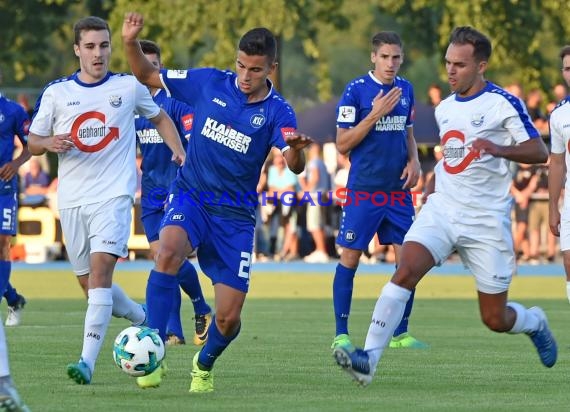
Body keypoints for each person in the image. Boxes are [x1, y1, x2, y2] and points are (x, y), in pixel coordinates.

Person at [334, 26, 557, 387]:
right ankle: (368, 361)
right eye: (448, 63)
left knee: (494, 318)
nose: (451, 71)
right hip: (443, 210)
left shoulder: (502, 103)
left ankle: (534, 322)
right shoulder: (446, 108)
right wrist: (434, 179)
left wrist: (499, 149)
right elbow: (453, 155)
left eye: (460, 65)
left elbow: (539, 151)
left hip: (485, 221)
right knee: (405, 268)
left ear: (481, 66)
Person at [122, 12, 311, 393]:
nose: (244, 76)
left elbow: (294, 166)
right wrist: (129, 43)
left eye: (255, 70)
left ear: (271, 68)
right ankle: (152, 349)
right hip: (191, 195)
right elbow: (146, 75)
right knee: (167, 252)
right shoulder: (208, 82)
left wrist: (294, 152)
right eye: (240, 65)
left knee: (228, 319)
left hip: (235, 218)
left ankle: (203, 363)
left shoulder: (278, 111)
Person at [27, 16, 186, 385]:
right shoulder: (57, 93)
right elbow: (34, 141)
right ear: (77, 50)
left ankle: (86, 362)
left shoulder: (128, 87)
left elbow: (160, 118)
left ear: (111, 47)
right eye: (90, 46)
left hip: (113, 197)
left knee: (100, 277)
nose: (98, 54)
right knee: (90, 288)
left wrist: (179, 151)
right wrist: (48, 144)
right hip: (71, 201)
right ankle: (140, 317)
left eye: (104, 46)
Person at [331, 31, 427, 353]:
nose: (391, 63)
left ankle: (400, 333)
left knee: (409, 263)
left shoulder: (407, 89)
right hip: (364, 189)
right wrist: (373, 114)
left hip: (398, 191)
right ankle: (341, 333)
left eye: (396, 57)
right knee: (350, 258)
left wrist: (414, 161)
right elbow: (342, 144)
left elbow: (408, 134)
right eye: (385, 57)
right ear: (373, 57)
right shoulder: (355, 91)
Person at [135, 39, 212, 354]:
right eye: (144, 65)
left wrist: (186, 158)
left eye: (155, 65)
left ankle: (177, 325)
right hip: (150, 191)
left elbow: (195, 140)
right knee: (163, 261)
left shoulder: (177, 103)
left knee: (168, 257)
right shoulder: (134, 106)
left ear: (160, 66)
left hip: (176, 191)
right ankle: (194, 314)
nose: (149, 70)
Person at [0, 68, 32, 329]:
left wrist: (15, 162)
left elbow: (31, 145)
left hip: (4, 189)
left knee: (2, 243)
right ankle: (14, 298)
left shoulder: (13, 111)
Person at [548, 45, 570, 302]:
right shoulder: (559, 114)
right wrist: (553, 206)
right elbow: (556, 163)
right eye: (567, 69)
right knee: (568, 261)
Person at [301, 143, 331, 263]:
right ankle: (321, 250)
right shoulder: (323, 163)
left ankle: (321, 250)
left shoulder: (314, 162)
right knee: (319, 223)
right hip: (322, 195)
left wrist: (306, 190)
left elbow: (315, 177)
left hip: (315, 196)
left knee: (314, 224)